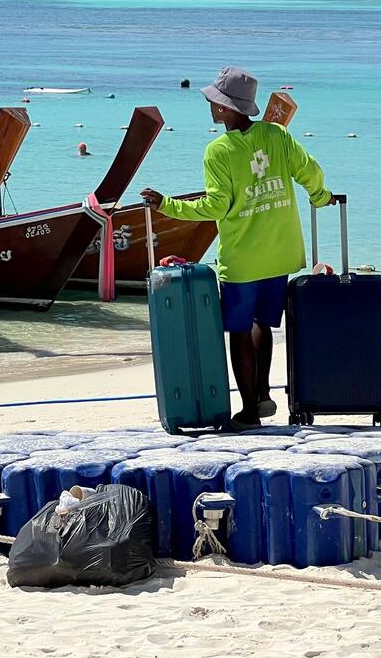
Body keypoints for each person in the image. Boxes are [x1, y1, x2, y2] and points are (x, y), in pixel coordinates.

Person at [141, 66, 332, 429]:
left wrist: (167, 205)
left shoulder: (218, 151)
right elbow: (309, 170)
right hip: (281, 252)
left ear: (225, 108)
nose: (209, 104)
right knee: (263, 323)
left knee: (240, 329)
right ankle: (262, 394)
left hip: (243, 258)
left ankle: (248, 412)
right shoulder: (276, 134)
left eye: (213, 100)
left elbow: (215, 207)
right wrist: (321, 196)